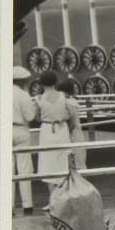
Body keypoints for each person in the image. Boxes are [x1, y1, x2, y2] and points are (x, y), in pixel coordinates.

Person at [35, 70, 74, 207]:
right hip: (62, 129)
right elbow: (68, 114)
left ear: (41, 83)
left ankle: (53, 201)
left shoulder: (38, 99)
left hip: (47, 131)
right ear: (55, 82)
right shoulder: (63, 96)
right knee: (63, 162)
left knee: (48, 164)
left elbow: (37, 117)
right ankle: (64, 198)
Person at [12, 66, 39, 215]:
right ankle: (27, 204)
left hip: (5, 130)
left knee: (8, 170)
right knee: (24, 168)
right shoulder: (23, 95)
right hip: (21, 130)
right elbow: (30, 117)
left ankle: (9, 205)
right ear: (22, 81)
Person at [57, 77, 87, 170]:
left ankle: (80, 183)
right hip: (72, 134)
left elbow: (72, 123)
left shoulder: (69, 102)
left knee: (78, 161)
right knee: (75, 161)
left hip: (73, 135)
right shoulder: (68, 102)